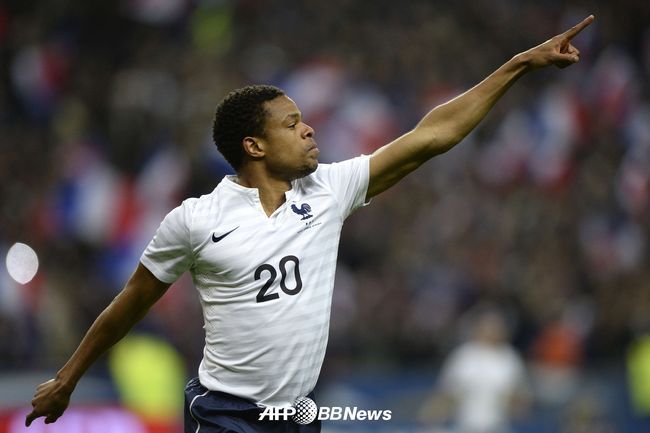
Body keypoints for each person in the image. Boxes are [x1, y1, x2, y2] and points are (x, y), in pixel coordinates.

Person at [25, 15, 595, 433]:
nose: (308, 129)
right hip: (225, 413)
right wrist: (68, 378)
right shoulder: (195, 220)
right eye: (292, 123)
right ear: (254, 145)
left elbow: (432, 136)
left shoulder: (329, 189)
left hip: (298, 413)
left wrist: (519, 65)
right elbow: (130, 302)